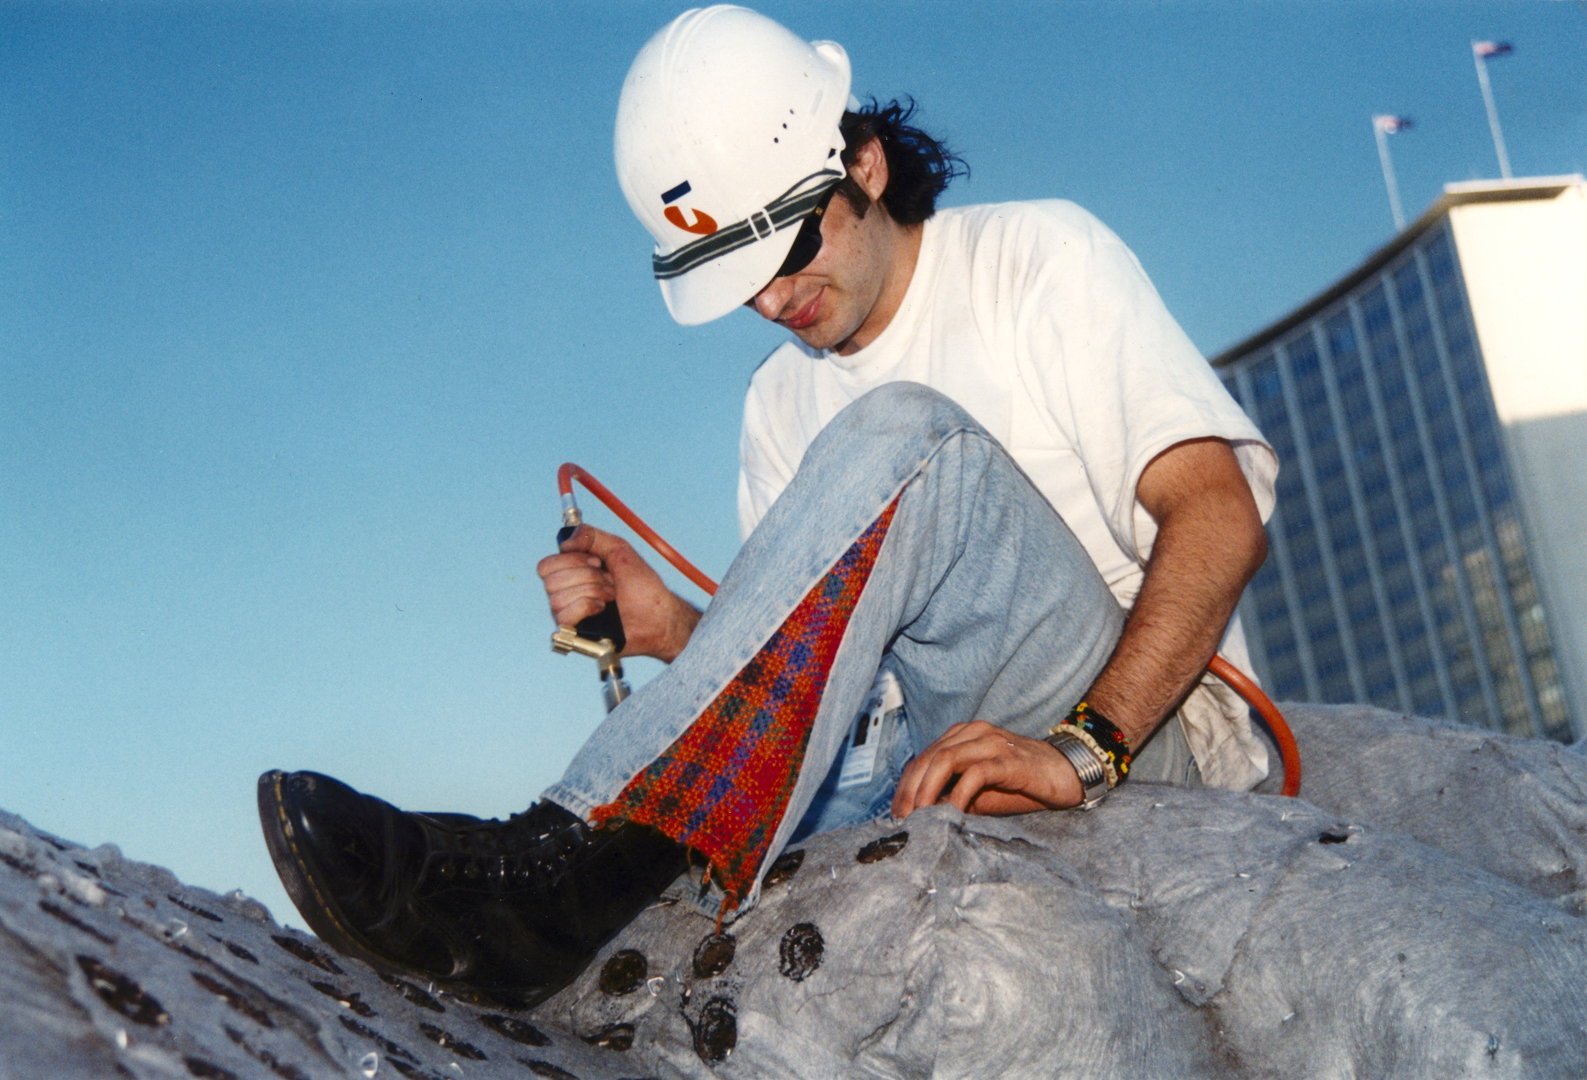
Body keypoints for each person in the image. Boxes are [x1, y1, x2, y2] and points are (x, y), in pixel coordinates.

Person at [257, 6, 1274, 1011]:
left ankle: (554, 869)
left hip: (1135, 733)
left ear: (864, 165)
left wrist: (1083, 748)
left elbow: (1219, 515)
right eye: (742, 285)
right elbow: (820, 694)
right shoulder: (777, 404)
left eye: (790, 252)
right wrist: (673, 633)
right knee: (697, 877)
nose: (778, 300)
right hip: (923, 752)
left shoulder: (1036, 259)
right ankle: (529, 907)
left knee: (918, 437)